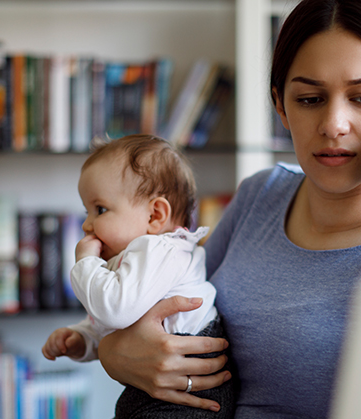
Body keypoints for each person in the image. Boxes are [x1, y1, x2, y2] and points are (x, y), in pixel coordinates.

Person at [95, 0, 361, 417]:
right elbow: (170, 302)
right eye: (310, 99)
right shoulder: (260, 195)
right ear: (281, 105)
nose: (333, 124)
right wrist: (112, 352)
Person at [40, 134, 236, 418]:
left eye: (100, 209)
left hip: (188, 392)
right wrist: (82, 338)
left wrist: (85, 262)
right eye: (87, 211)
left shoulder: (159, 249)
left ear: (154, 216)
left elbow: (116, 311)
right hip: (160, 385)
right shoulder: (136, 256)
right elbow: (121, 326)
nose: (86, 224)